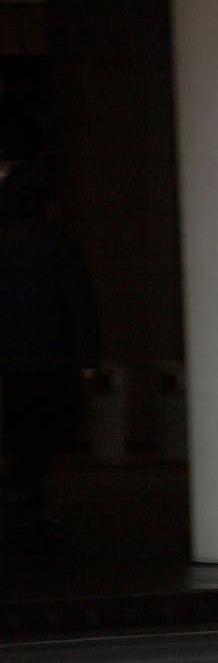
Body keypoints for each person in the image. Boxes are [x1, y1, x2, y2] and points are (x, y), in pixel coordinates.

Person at [0, 160, 99, 529]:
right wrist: (88, 356)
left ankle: (23, 487)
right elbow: (77, 305)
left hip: (12, 354)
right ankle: (26, 488)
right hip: (51, 355)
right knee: (52, 424)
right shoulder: (57, 247)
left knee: (21, 422)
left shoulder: (6, 245)